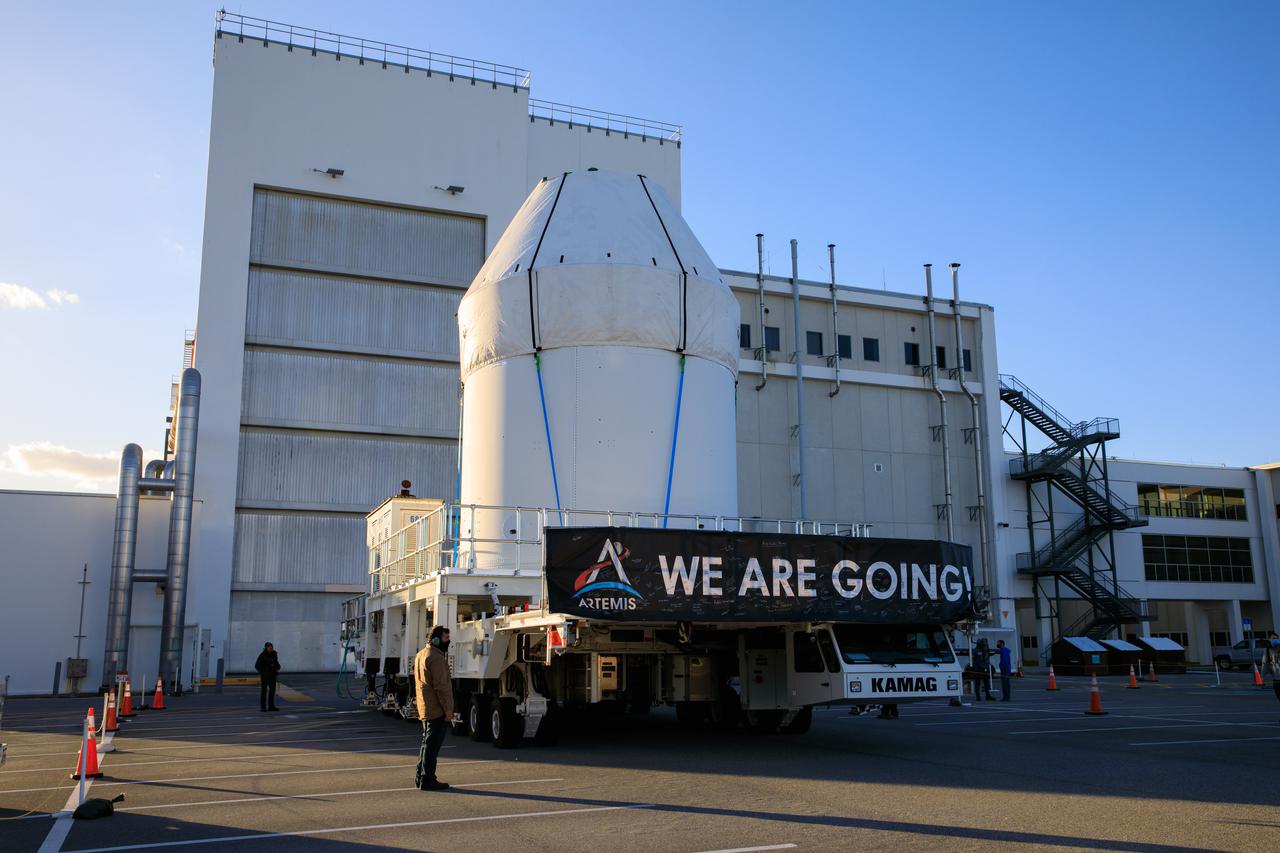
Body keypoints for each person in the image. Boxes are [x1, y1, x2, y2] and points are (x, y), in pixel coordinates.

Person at [413, 626, 454, 791]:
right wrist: (448, 710)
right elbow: (442, 687)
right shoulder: (436, 658)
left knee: (426, 744)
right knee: (432, 746)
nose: (448, 642)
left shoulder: (421, 654)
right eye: (446, 638)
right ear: (436, 640)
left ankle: (421, 777)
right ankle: (428, 779)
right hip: (436, 709)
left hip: (425, 707)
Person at [254, 642, 280, 712]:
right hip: (265, 676)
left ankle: (271, 706)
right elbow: (257, 666)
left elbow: (276, 662)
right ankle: (263, 707)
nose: (271, 648)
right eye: (269, 647)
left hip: (273, 675)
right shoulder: (262, 655)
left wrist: (278, 667)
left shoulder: (274, 653)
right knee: (264, 691)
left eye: (271, 646)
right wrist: (263, 672)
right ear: (266, 648)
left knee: (272, 691)